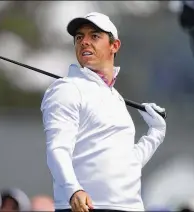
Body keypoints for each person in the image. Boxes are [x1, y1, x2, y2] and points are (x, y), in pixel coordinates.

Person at [40, 12, 167, 212]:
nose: (84, 42)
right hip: (86, 206)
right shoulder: (66, 88)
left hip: (129, 207)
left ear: (114, 46)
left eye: (94, 36)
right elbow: (57, 148)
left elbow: (127, 165)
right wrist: (73, 190)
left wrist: (156, 134)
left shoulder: (115, 98)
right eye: (79, 37)